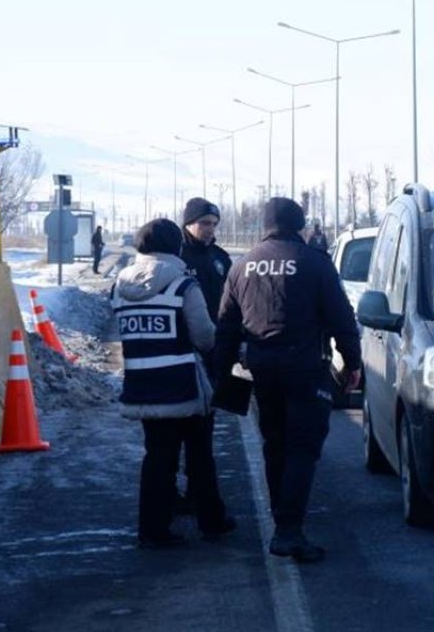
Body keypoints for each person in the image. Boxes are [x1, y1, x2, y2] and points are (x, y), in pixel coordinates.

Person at [215, 198, 361, 563]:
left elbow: (227, 326)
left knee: (275, 443)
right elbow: (342, 318)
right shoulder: (314, 262)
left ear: (264, 224)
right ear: (298, 223)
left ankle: (282, 520)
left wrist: (223, 374)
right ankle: (289, 531)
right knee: (303, 447)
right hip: (306, 367)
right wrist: (353, 363)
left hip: (262, 368)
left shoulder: (242, 266)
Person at [111, 218, 236, 547]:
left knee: (157, 458)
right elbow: (205, 337)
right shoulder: (182, 286)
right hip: (183, 385)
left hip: (140, 384)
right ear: (175, 247)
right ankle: (212, 520)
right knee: (200, 455)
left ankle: (152, 529)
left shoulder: (120, 286)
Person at [176, 197, 233, 515]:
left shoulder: (220, 257)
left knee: (204, 425)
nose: (210, 229)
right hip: (182, 352)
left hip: (213, 350)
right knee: (177, 430)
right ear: (188, 223)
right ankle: (182, 492)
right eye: (204, 223)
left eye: (213, 224)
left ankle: (197, 489)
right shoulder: (178, 257)